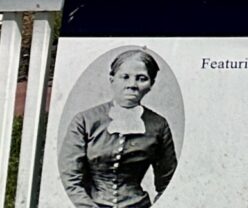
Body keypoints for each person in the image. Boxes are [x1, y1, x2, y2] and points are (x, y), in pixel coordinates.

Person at [58, 48, 178, 208]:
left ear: (151, 85)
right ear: (112, 79)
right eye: (125, 77)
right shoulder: (85, 121)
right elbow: (70, 177)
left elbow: (169, 183)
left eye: (141, 78)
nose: (132, 85)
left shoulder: (159, 125)